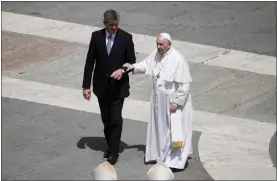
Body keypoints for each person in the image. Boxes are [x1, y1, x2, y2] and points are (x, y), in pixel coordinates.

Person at [123, 33, 193, 170]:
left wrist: (177, 101)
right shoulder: (156, 53)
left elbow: (184, 85)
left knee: (173, 131)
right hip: (158, 99)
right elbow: (146, 64)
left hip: (173, 101)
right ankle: (161, 155)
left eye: (161, 44)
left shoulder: (178, 59)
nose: (158, 47)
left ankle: (175, 160)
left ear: (169, 44)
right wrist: (133, 67)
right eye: (157, 44)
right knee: (160, 129)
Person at [82, 9, 136, 165]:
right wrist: (86, 86)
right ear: (105, 23)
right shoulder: (96, 37)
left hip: (118, 87)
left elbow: (132, 61)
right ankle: (111, 144)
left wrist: (122, 70)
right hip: (101, 86)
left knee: (115, 119)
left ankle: (114, 152)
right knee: (106, 118)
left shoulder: (126, 38)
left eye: (116, 25)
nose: (114, 28)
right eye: (111, 25)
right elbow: (90, 62)